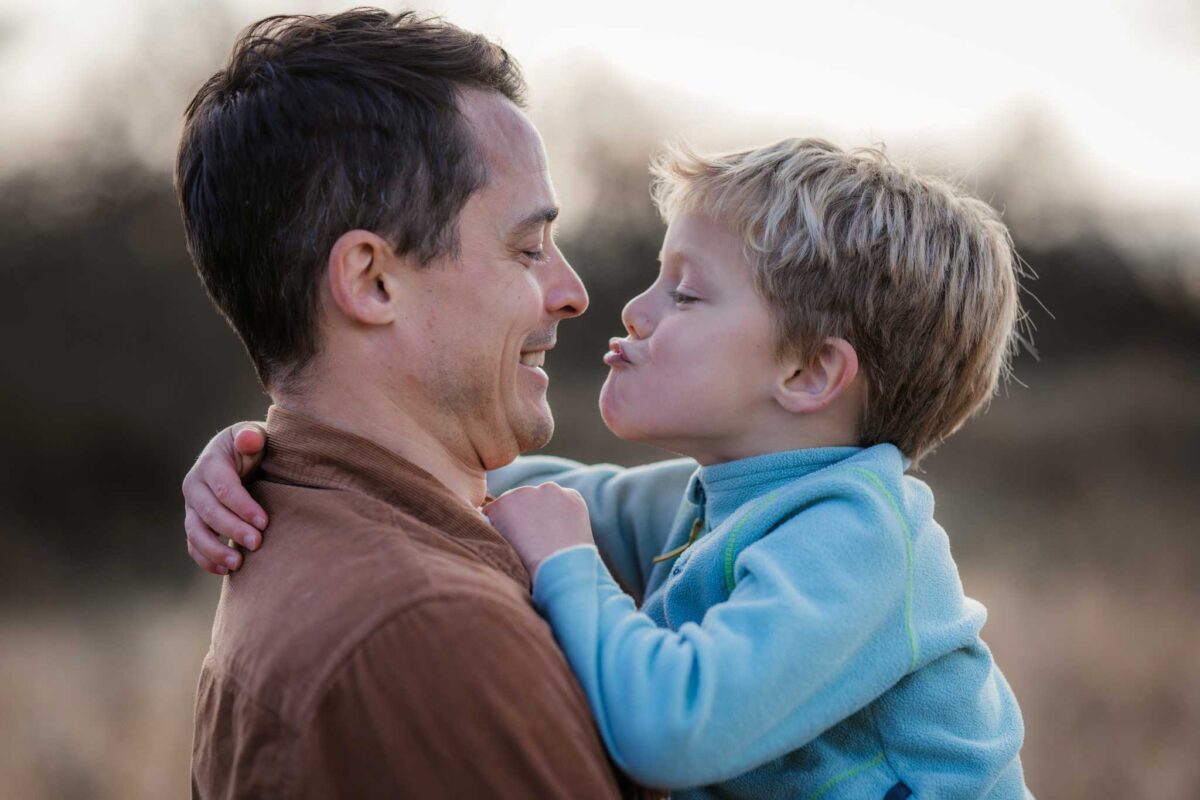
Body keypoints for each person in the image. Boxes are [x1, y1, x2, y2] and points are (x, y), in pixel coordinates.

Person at [189, 139, 1034, 797]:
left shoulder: (861, 540)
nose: (631, 308)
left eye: (687, 294)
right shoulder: (723, 499)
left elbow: (674, 731)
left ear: (808, 374)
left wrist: (569, 567)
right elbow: (508, 490)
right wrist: (278, 443)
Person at [175, 9, 649, 798]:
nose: (572, 292)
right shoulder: (429, 634)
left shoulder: (302, 515)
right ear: (371, 280)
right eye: (527, 248)